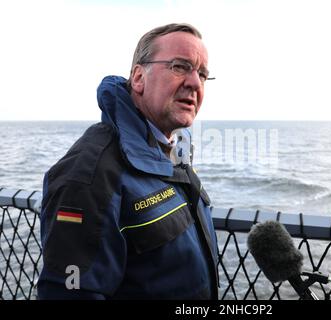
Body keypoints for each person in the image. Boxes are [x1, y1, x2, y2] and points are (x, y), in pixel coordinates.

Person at [37, 23, 218, 299]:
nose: (194, 83)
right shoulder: (92, 173)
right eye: (180, 67)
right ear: (138, 78)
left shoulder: (167, 153)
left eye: (203, 74)